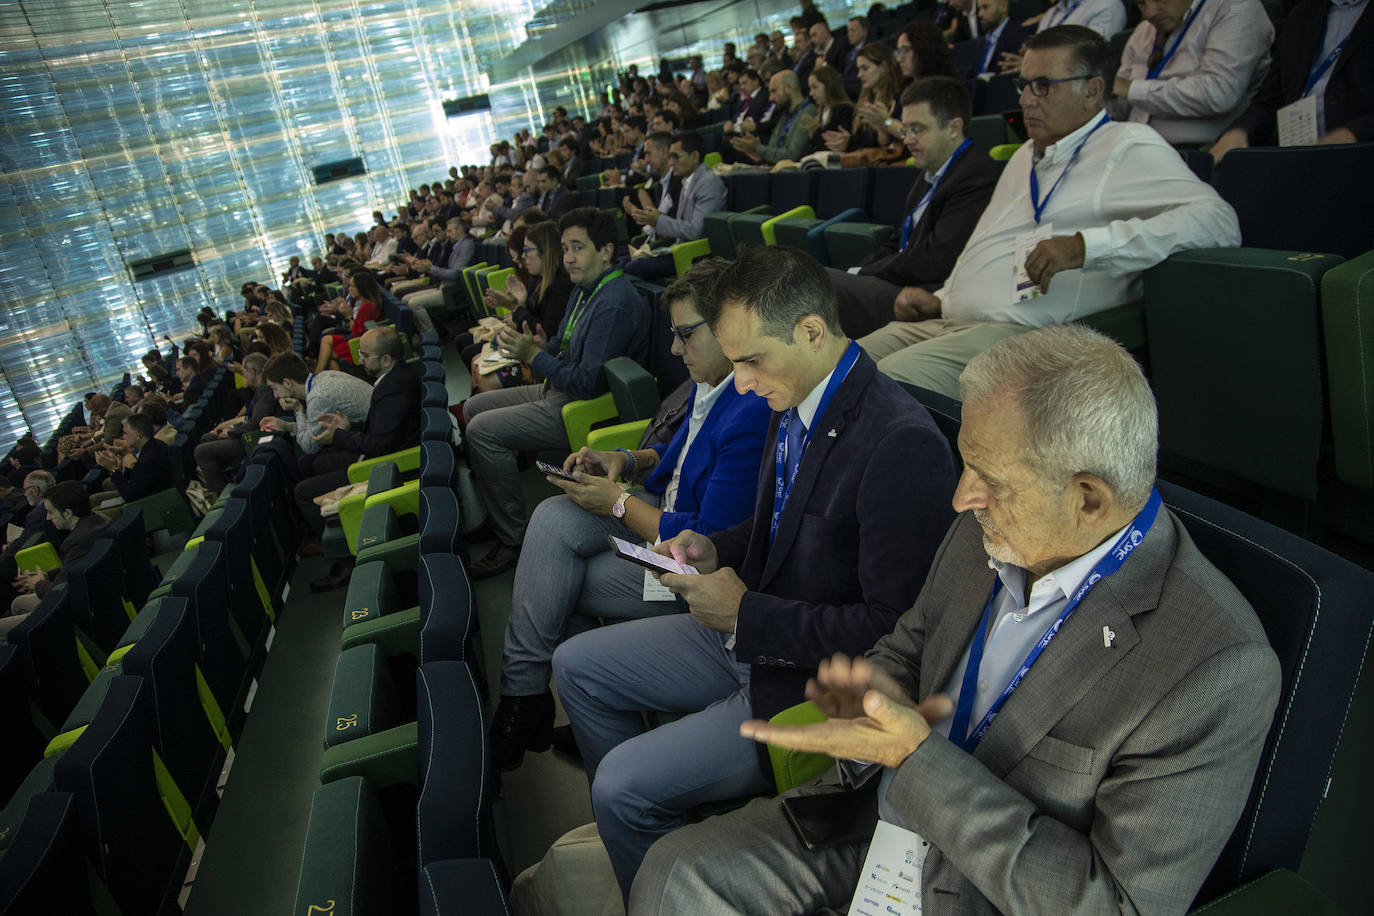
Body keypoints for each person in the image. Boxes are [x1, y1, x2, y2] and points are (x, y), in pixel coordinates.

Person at [632, 324, 1283, 916]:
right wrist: (873, 690)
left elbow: (1113, 904)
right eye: (966, 460)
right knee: (674, 875)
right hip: (873, 818)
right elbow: (910, 642)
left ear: (1088, 500)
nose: (961, 497)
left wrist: (916, 758)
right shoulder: (986, 529)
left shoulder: (1215, 670)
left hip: (990, 890)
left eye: (988, 477)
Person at [551, 245, 958, 901]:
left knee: (621, 786)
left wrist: (747, 615)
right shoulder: (790, 394)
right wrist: (716, 548)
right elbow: (773, 526)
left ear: (811, 332)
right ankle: (659, 829)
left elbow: (895, 631)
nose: (739, 384)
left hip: (801, 682)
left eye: (750, 361)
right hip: (747, 634)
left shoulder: (898, 442)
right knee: (574, 666)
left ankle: (660, 871)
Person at [490, 260, 773, 771]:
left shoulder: (751, 405)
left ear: (727, 328)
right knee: (552, 520)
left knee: (556, 579)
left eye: (685, 335)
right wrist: (625, 460)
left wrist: (618, 503)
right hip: (663, 514)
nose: (675, 349)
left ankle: (532, 699)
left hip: (687, 558)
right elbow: (683, 456)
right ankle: (537, 698)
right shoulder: (711, 383)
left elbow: (708, 538)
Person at [867, 25, 1241, 399]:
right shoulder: (1024, 155)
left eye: (1043, 86)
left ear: (1092, 90)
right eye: (1024, 85)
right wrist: (944, 298)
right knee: (844, 364)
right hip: (949, 320)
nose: (1026, 100)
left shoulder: (1125, 146)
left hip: (1027, 338)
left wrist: (1086, 246)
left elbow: (1218, 221)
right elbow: (991, 242)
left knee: (884, 384)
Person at [462, 208, 651, 579]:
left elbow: (587, 382)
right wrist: (535, 345)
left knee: (481, 430)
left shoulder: (614, 302)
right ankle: (499, 515)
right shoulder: (584, 290)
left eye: (578, 248)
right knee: (473, 406)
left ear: (606, 251)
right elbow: (559, 345)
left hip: (581, 405)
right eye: (565, 249)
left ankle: (512, 537)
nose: (568, 258)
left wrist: (534, 355)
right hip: (557, 388)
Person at [826, 77, 1000, 339]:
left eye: (917, 129)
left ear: (954, 128)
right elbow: (898, 242)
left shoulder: (975, 176)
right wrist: (859, 270)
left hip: (924, 296)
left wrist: (863, 273)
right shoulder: (929, 174)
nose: (907, 140)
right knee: (816, 281)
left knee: (819, 283)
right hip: (901, 281)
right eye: (905, 130)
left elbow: (936, 260)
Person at [289, 327, 422, 541]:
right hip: (386, 455)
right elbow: (383, 430)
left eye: (365, 355)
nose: (360, 360)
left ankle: (342, 549)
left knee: (303, 492)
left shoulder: (394, 388)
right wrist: (348, 426)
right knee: (313, 462)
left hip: (390, 468)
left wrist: (338, 436)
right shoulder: (396, 377)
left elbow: (380, 445)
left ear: (386, 359)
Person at [1210, 0, 1374, 163]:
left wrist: (1354, 133)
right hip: (1296, 156)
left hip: (1359, 156)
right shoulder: (1302, 16)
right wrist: (1241, 131)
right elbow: (1270, 99)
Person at [1109, 0, 1274, 146]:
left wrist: (1130, 88)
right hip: (1133, 144)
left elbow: (1220, 93)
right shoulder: (1143, 31)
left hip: (1198, 152)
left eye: (1159, 0)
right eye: (1140, 3)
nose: (1149, 13)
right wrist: (1101, 94)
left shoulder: (1236, 9)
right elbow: (1120, 107)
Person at [4, 482, 112, 633]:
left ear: (67, 513)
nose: (48, 518)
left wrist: (38, 583)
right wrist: (47, 575)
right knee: (18, 603)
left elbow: (59, 593)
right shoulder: (99, 520)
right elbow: (75, 566)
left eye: (50, 512)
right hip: (97, 590)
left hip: (82, 607)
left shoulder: (75, 541)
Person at [623, 131, 727, 282]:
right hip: (679, 249)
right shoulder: (687, 181)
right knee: (625, 262)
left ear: (694, 156)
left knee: (634, 268)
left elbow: (695, 232)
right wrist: (656, 218)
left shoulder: (708, 183)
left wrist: (658, 220)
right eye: (671, 157)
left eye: (676, 157)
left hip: (697, 255)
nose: (671, 162)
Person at [192, 352, 277, 492]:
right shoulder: (260, 390)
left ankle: (222, 493)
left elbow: (256, 423)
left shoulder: (264, 391)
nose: (243, 375)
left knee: (201, 452)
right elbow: (251, 419)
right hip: (248, 434)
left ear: (252, 373)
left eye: (243, 372)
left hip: (252, 439)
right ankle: (230, 478)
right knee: (207, 438)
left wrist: (230, 432)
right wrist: (231, 427)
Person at [728, 70, 816, 166]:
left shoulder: (808, 112)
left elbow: (792, 156)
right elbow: (773, 147)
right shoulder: (785, 114)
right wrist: (752, 150)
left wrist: (757, 148)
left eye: (774, 91)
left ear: (789, 88)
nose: (770, 98)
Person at [97, 414, 171, 502]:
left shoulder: (145, 461)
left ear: (137, 435)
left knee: (95, 502)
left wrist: (113, 469)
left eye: (125, 433)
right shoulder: (157, 444)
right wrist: (120, 464)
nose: (123, 437)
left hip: (153, 503)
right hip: (153, 493)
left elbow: (129, 496)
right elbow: (138, 476)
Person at [965, 0, 1032, 79]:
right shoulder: (981, 43)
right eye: (979, 9)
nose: (980, 14)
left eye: (985, 7)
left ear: (1004, 7)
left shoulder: (1018, 35)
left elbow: (1008, 74)